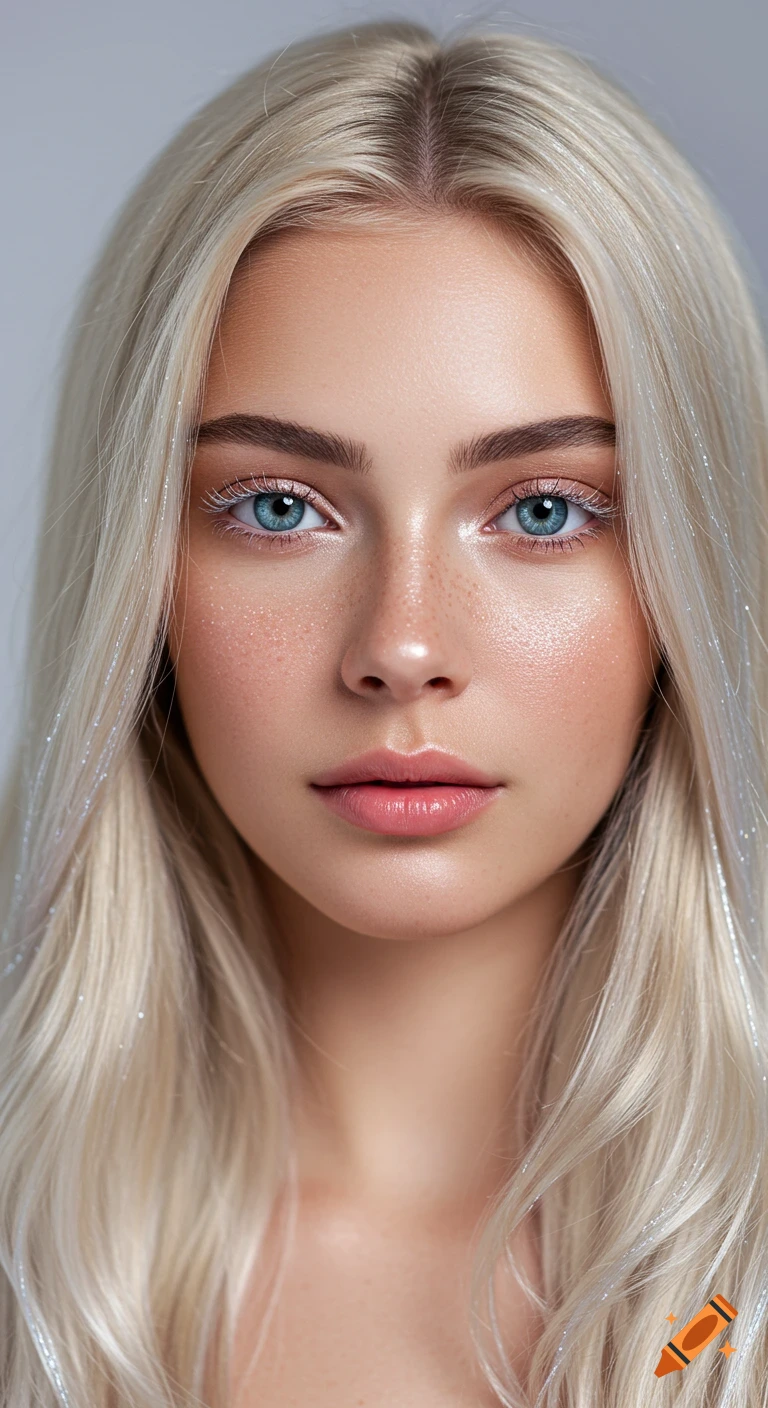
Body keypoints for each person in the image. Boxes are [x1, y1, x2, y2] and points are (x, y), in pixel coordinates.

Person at [0, 19, 766, 1408]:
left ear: (690, 581)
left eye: (545, 511)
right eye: (277, 508)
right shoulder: (27, 1269)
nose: (402, 648)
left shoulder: (721, 1308)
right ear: (139, 577)